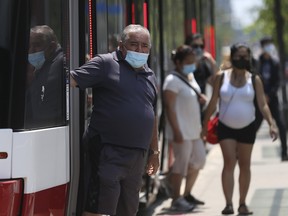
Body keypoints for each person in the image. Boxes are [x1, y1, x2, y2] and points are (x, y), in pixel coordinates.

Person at [70, 24, 160, 216]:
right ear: (121, 45)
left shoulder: (149, 75)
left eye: (144, 46)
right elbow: (71, 81)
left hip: (136, 157)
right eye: (134, 44)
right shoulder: (105, 63)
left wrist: (155, 152)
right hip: (106, 150)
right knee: (98, 209)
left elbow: (151, 115)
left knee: (128, 209)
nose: (140, 50)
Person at [201, 43, 278, 215]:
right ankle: (228, 204)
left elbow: (262, 104)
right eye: (238, 55)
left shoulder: (254, 79)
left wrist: (272, 123)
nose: (242, 59)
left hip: (247, 127)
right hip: (225, 127)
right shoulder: (222, 77)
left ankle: (242, 203)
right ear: (232, 56)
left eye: (245, 56)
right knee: (229, 163)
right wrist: (204, 125)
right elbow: (213, 102)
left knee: (245, 165)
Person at [162, 45, 207, 211]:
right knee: (181, 165)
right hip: (181, 131)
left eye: (193, 61)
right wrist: (177, 131)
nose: (192, 65)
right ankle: (176, 198)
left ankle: (185, 192)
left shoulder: (190, 76)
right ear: (178, 62)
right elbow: (169, 108)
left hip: (194, 130)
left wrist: (199, 97)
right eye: (188, 62)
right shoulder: (171, 81)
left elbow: (190, 95)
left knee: (199, 160)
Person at [25, 25, 66, 128]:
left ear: (51, 47)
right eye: (29, 46)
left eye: (36, 45)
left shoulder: (61, 64)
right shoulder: (45, 65)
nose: (31, 50)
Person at [255, 36, 288, 161]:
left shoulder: (275, 63)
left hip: (272, 100)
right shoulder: (258, 62)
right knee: (255, 126)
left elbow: (278, 81)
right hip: (260, 99)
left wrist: (270, 94)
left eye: (270, 44)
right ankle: (243, 152)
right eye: (267, 45)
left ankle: (284, 152)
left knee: (281, 124)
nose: (269, 47)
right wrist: (262, 95)